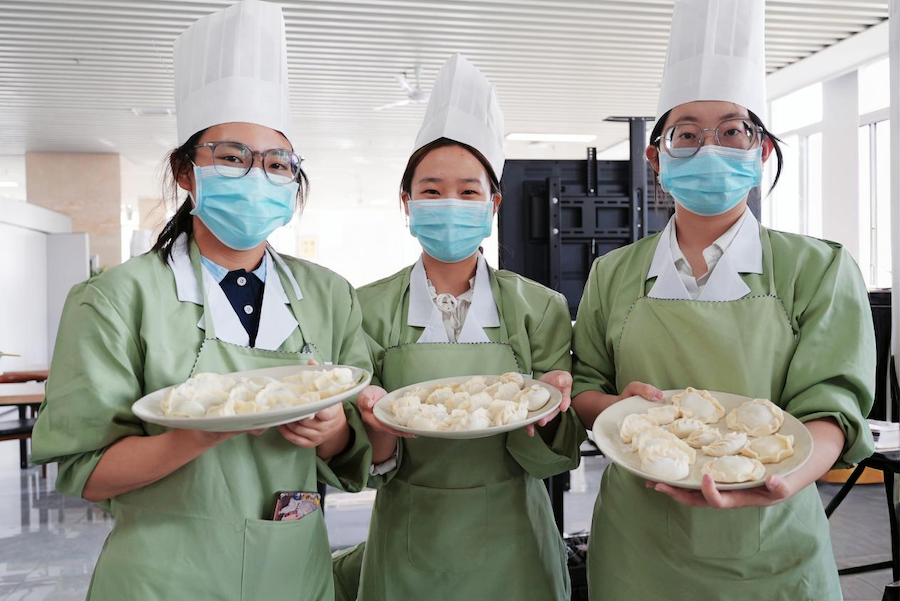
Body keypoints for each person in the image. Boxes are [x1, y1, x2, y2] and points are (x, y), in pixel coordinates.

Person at [30, 2, 372, 599]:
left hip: (293, 571)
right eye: (233, 157)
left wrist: (333, 429)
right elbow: (86, 472)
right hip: (164, 578)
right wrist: (197, 434)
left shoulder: (329, 296)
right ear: (186, 172)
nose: (258, 176)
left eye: (277, 164)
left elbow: (353, 460)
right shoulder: (115, 299)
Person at [570, 1, 875, 599]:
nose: (710, 148)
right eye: (686, 134)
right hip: (637, 548)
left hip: (773, 545)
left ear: (761, 152)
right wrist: (616, 407)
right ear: (657, 159)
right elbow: (586, 386)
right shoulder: (612, 274)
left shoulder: (818, 269)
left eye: (733, 131)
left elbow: (833, 404)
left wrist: (786, 480)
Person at [344, 54, 585, 601]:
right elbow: (363, 464)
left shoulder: (540, 308)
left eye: (469, 191)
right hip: (408, 543)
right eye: (431, 191)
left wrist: (549, 411)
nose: (449, 203)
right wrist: (376, 423)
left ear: (493, 204)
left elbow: (558, 456)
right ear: (406, 202)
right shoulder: (364, 308)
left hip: (518, 546)